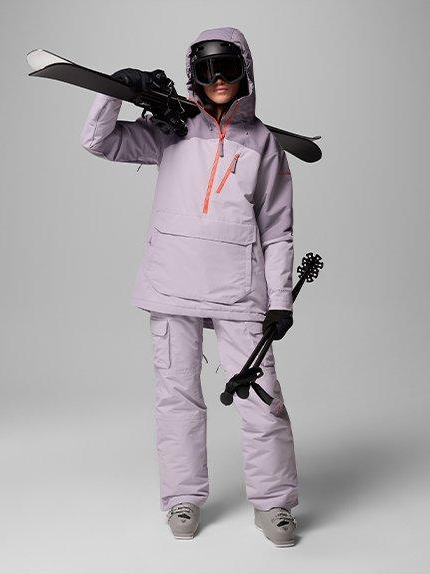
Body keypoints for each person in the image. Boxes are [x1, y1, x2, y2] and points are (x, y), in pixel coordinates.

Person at [80, 26, 298, 547]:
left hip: (239, 289)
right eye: (206, 70)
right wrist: (115, 91)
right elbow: (99, 141)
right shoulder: (170, 131)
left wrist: (280, 299)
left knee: (262, 399)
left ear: (246, 71)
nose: (218, 79)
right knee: (177, 397)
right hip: (172, 282)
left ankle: (274, 503)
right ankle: (182, 496)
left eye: (228, 68)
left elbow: (277, 229)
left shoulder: (264, 145)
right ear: (192, 75)